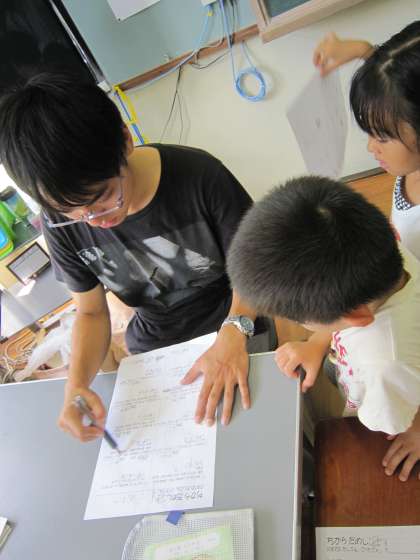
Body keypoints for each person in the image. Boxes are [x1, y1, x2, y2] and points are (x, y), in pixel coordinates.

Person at [0, 73, 275, 441]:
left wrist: (234, 331)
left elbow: (258, 269)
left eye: (102, 198)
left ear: (126, 140)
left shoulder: (200, 177)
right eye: (72, 212)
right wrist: (76, 385)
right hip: (157, 340)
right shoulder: (60, 221)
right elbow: (91, 312)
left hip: (233, 315)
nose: (93, 221)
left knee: (252, 433)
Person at [227, 176, 420, 481]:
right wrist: (316, 343)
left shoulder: (387, 365)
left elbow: (392, 417)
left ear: (354, 317)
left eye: (301, 321)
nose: (300, 325)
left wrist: (415, 428)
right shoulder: (383, 253)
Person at [313, 22, 420, 260]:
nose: (371, 147)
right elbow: (401, 85)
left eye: (381, 136)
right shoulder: (411, 163)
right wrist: (363, 51)